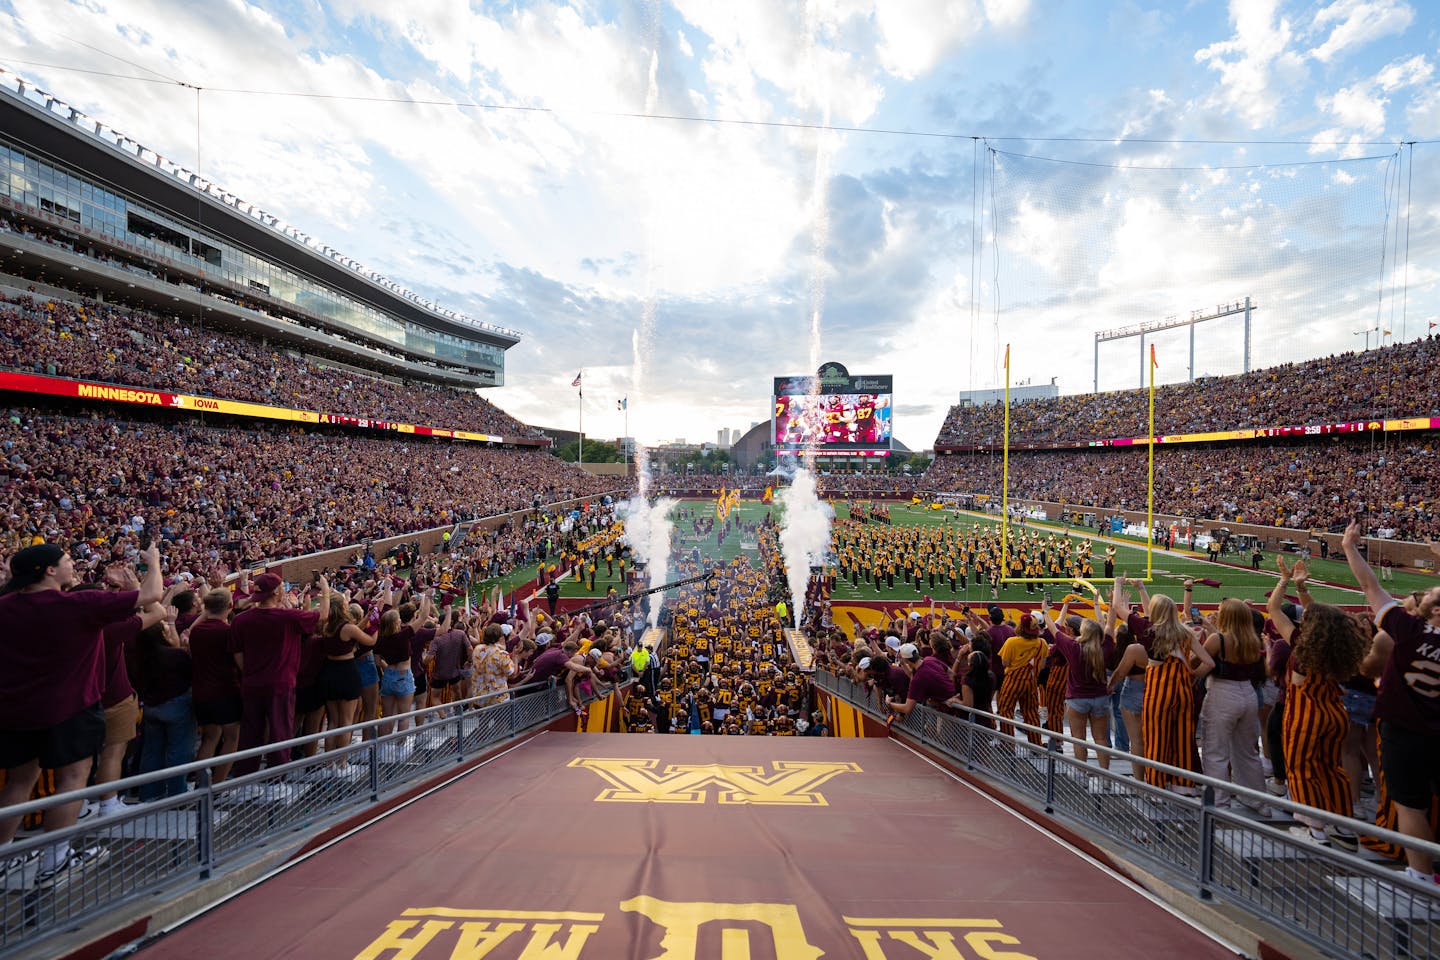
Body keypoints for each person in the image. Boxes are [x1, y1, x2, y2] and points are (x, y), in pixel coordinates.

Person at [0, 540, 162, 886]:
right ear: (49, 571)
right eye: (67, 560)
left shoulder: (5, 606)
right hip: (70, 708)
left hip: (15, 710)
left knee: (19, 780)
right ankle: (55, 860)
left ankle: (3, 855)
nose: (72, 564)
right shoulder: (77, 604)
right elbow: (152, 598)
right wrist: (153, 562)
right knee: (71, 780)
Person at [1343, 523, 1440, 883]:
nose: (1421, 597)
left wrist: (1350, 548)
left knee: (1410, 804)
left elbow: (1370, 586)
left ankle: (1420, 875)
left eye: (1429, 595)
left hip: (1407, 728)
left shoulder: (1411, 631)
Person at [1270, 555, 1367, 850]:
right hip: (1335, 712)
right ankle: (1342, 826)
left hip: (1305, 715)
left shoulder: (1302, 646)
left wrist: (1285, 581)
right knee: (1331, 769)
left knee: (1302, 770)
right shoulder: (1342, 647)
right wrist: (1302, 589)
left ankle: (1314, 829)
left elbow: (1273, 609)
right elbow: (1326, 620)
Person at [228, 573, 328, 778]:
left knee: (251, 732)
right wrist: (325, 590)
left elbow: (236, 652)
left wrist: (249, 671)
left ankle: (245, 779)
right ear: (275, 592)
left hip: (252, 682)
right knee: (280, 730)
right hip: (280, 684)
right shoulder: (288, 617)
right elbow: (323, 616)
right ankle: (276, 780)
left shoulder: (240, 619)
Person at [1111, 594, 1213, 793]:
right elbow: (1209, 662)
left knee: (1156, 738)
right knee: (1182, 739)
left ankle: (1157, 786)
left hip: (1159, 691)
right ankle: (1184, 786)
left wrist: (1119, 584)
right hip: (1184, 693)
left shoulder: (1149, 631)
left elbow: (1116, 606)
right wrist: (1192, 676)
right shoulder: (1186, 633)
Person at [1199, 598, 1268, 812]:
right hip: (1248, 693)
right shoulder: (1254, 640)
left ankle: (1218, 802)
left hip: (1223, 692)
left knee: (1215, 750)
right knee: (1247, 750)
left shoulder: (1218, 640)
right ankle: (1257, 800)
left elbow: (1198, 667)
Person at [995, 614, 1048, 746]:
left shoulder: (1011, 642)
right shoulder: (1042, 643)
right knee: (1031, 713)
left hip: (1013, 680)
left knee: (1006, 710)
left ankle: (1008, 744)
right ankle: (1036, 744)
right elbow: (1042, 665)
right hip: (1031, 681)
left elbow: (1005, 663)